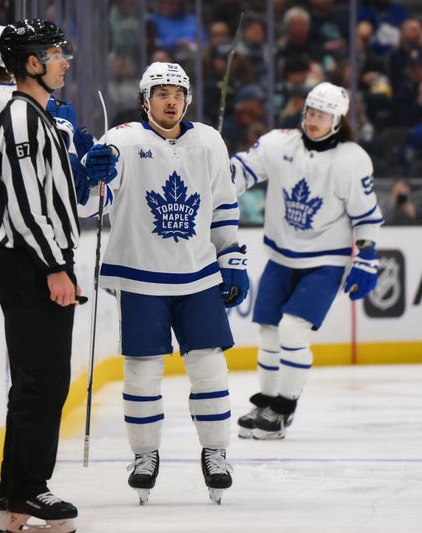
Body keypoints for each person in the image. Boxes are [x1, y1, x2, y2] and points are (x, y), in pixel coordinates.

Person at [81, 61, 247, 506]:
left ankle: (216, 453)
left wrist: (231, 256)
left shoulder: (209, 140)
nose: (170, 100)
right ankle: (144, 456)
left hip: (197, 276)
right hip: (141, 276)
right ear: (144, 99)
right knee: (141, 371)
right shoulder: (120, 141)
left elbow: (223, 205)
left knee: (210, 367)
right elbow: (86, 207)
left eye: (177, 92)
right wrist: (88, 174)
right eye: (161, 93)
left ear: (187, 99)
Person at [231, 82, 383, 440]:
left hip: (325, 260)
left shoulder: (352, 159)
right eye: (311, 113)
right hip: (281, 255)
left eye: (323, 115)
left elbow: (365, 215)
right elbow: (242, 172)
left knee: (292, 331)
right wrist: (219, 175)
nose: (314, 121)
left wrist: (367, 256)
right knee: (268, 332)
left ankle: (284, 408)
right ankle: (266, 401)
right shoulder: (277, 143)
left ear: (338, 120)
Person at [0, 19, 80, 533]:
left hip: (36, 261)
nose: (64, 61)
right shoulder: (21, 119)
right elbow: (25, 207)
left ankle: (18, 502)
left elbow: (52, 200)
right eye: (54, 53)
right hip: (28, 264)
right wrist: (56, 267)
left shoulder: (39, 118)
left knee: (44, 383)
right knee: (40, 384)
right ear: (30, 63)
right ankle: (27, 490)